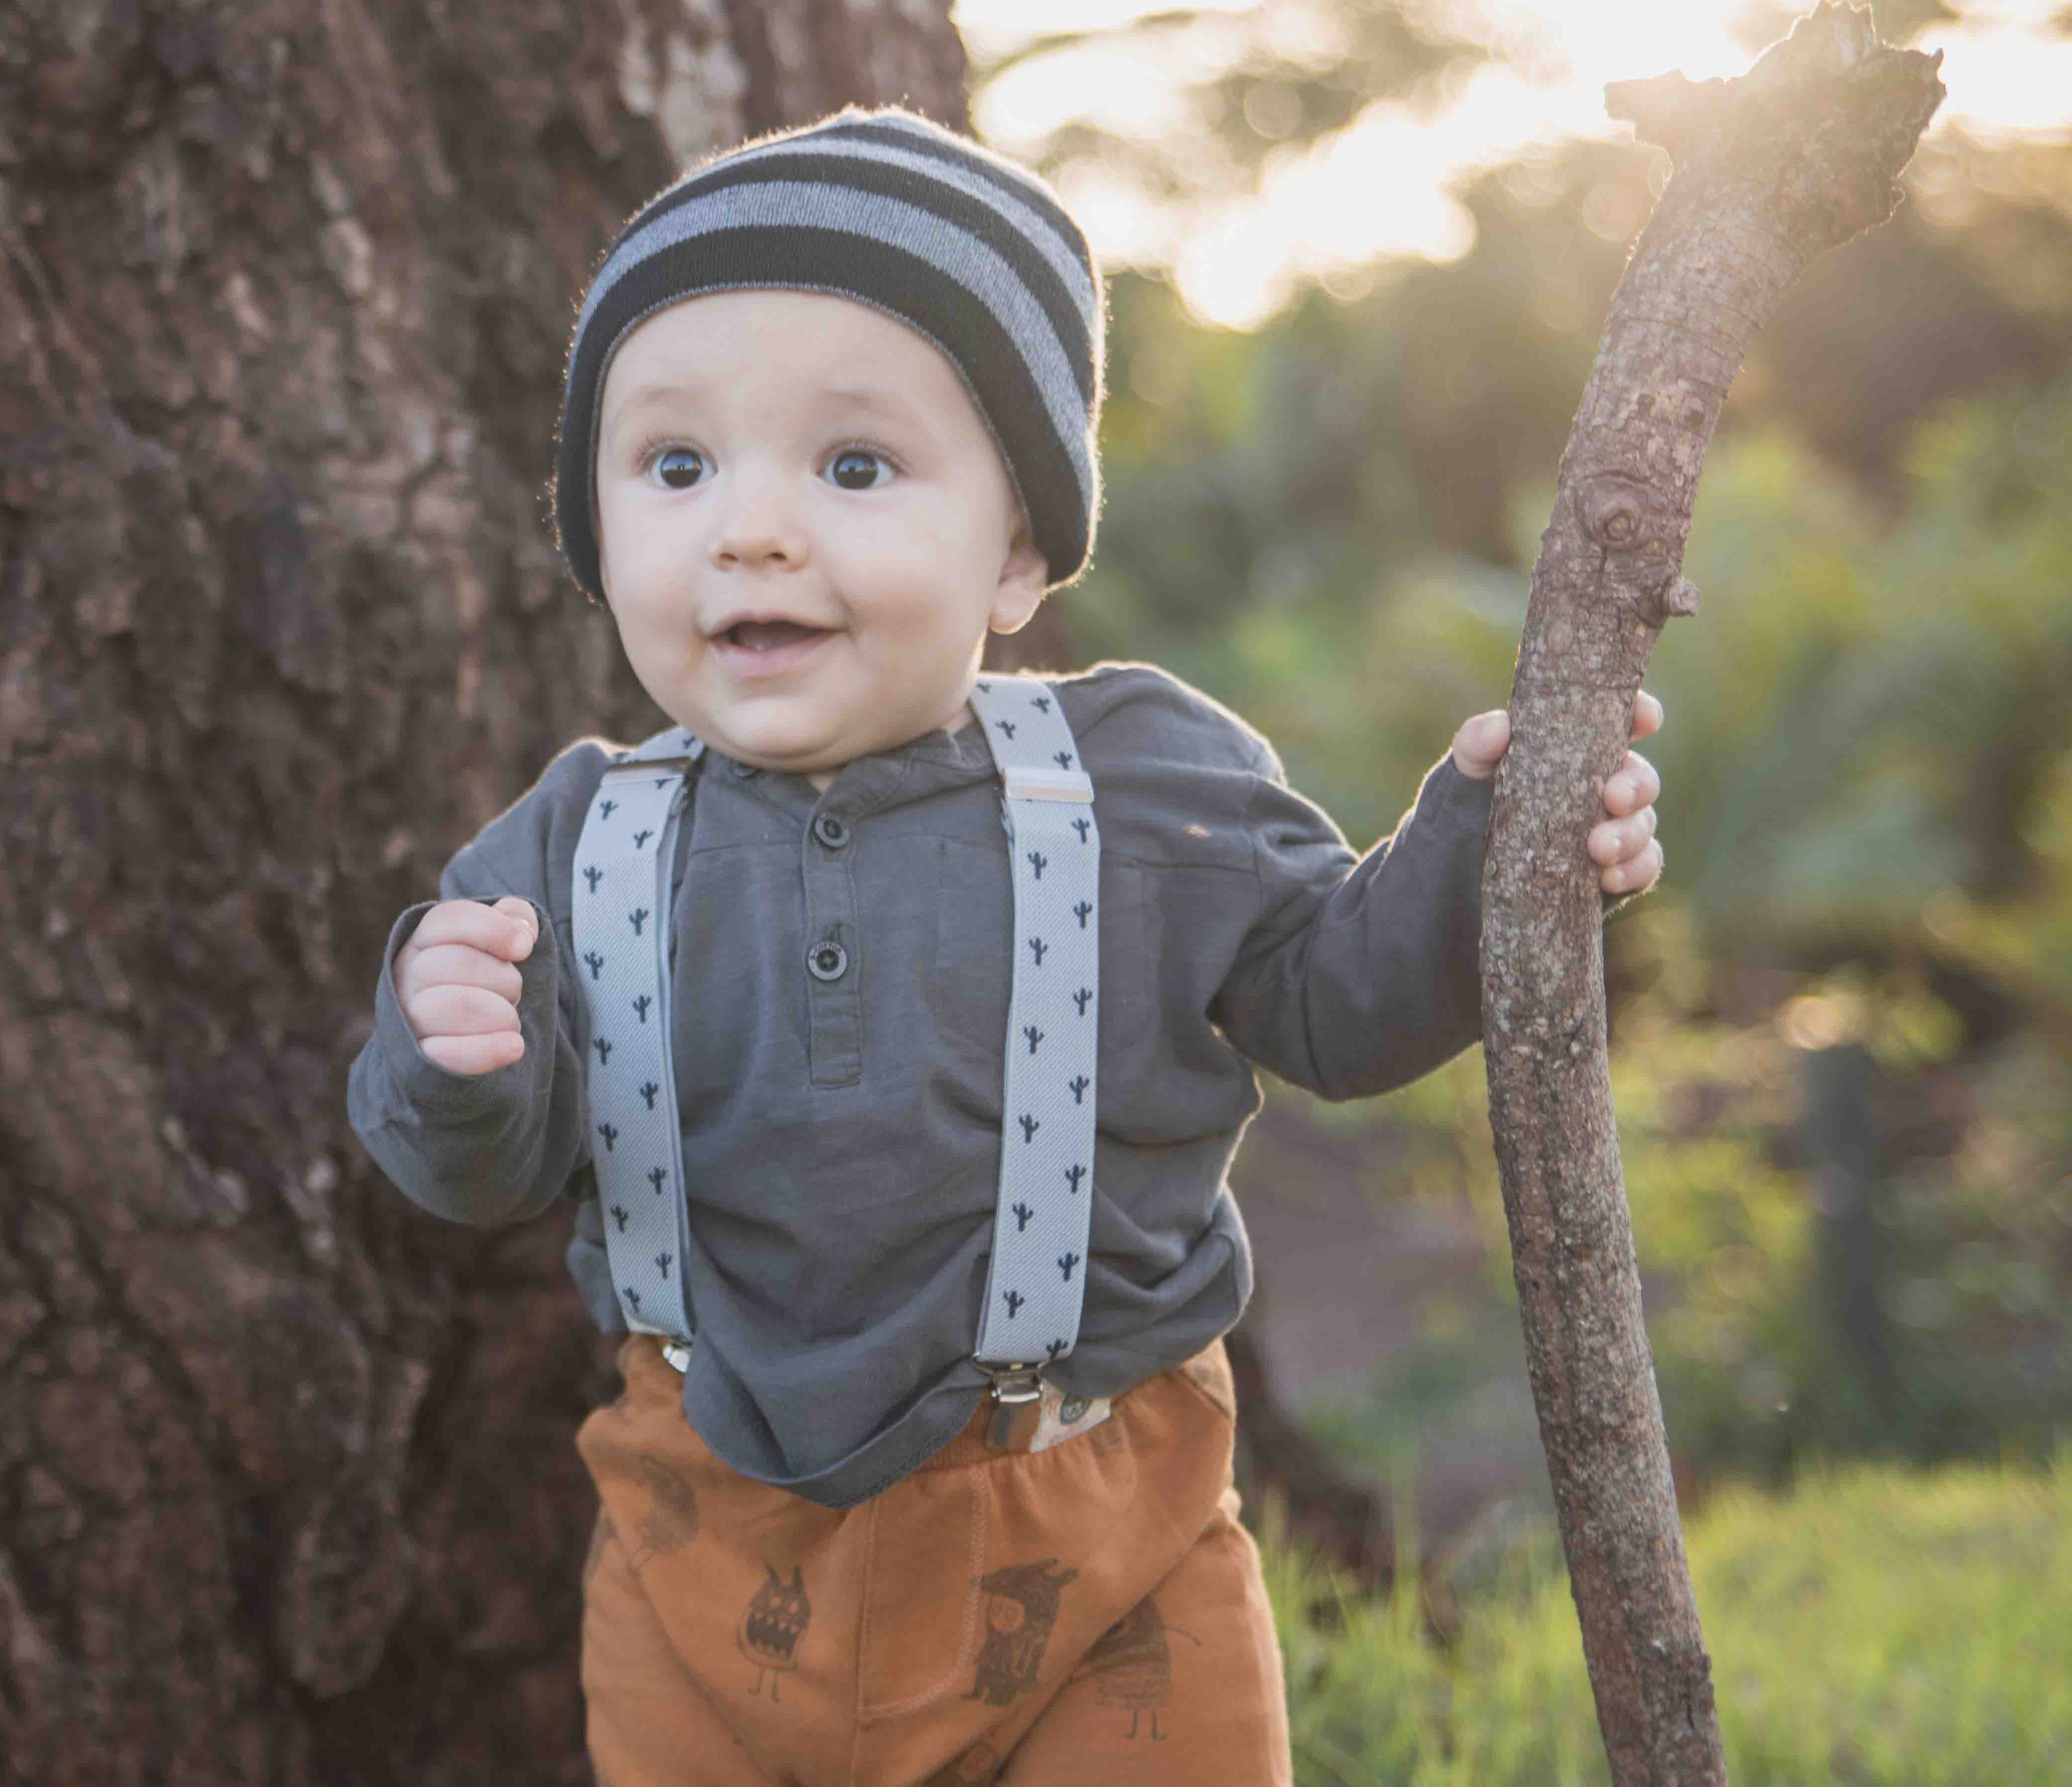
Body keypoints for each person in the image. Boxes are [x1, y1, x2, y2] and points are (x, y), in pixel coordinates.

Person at [341, 104, 1667, 1785]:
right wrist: (449, 1050)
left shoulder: (1141, 783)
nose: (751, 530)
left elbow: (1338, 1001)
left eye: (853, 467)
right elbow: (479, 1167)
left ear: (1022, 548)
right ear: (598, 527)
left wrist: (1498, 848)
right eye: (676, 467)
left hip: (1101, 1554)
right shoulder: (571, 846)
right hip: (703, 1562)